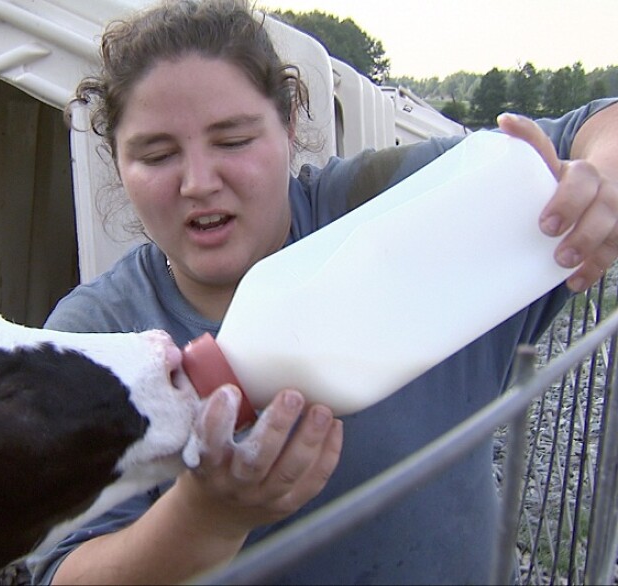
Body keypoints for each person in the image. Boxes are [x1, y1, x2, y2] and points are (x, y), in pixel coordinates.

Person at [31, 0, 618, 583]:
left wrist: (602, 185)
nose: (199, 182)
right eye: (157, 155)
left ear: (288, 125)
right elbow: (64, 573)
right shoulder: (97, 336)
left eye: (233, 140)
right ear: (116, 161)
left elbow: (598, 124)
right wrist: (205, 518)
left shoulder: (375, 207)